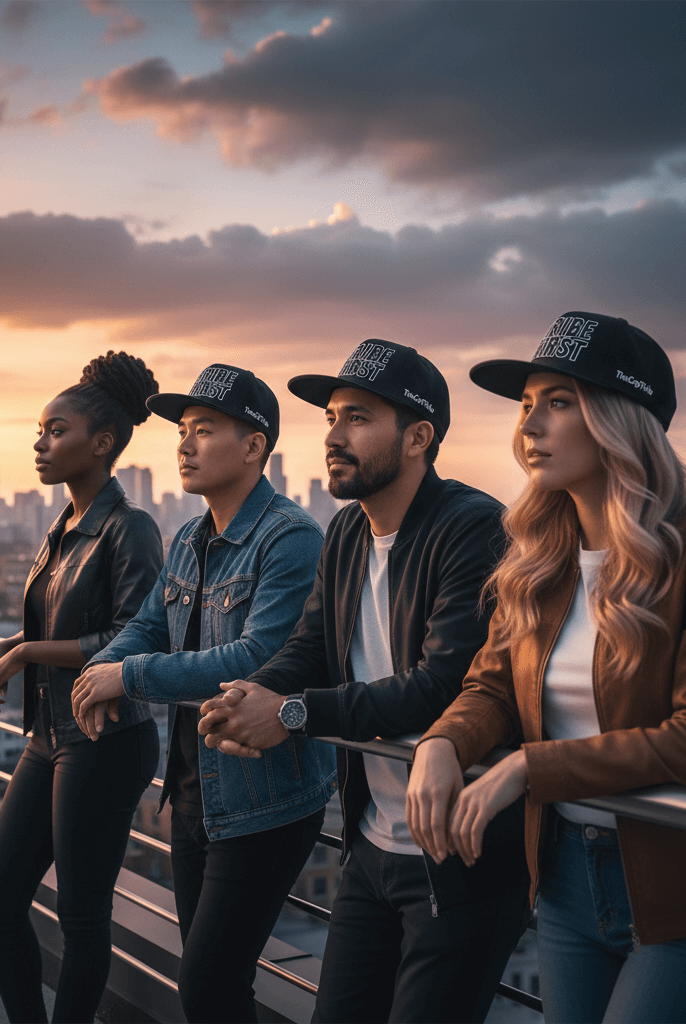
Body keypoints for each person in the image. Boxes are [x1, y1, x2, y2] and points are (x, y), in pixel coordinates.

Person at [406, 311, 686, 1023]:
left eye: (559, 402)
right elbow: (489, 684)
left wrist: (527, 767)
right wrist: (443, 742)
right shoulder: (538, 558)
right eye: (525, 406)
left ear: (620, 420)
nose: (530, 426)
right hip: (563, 886)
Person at [198, 340, 530, 1024]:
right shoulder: (347, 530)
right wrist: (247, 697)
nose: (334, 436)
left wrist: (288, 715)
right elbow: (310, 648)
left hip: (456, 854)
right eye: (330, 419)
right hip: (371, 844)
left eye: (357, 418)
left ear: (418, 437)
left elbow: (440, 684)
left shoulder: (472, 529)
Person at [69, 363, 336, 1024]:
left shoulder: (290, 537)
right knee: (218, 989)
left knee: (208, 984)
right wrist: (100, 668)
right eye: (182, 431)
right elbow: (151, 624)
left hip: (264, 797)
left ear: (254, 446)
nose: (183, 445)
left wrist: (125, 678)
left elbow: (253, 660)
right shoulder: (188, 538)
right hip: (193, 792)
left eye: (204, 429)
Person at [0, 352, 164, 1024]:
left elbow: (136, 638)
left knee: (81, 915)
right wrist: (8, 642)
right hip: (48, 736)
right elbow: (50, 621)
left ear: (102, 442)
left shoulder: (129, 528)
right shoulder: (59, 530)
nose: (40, 443)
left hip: (106, 739)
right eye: (40, 430)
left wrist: (26, 651)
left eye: (56, 430)